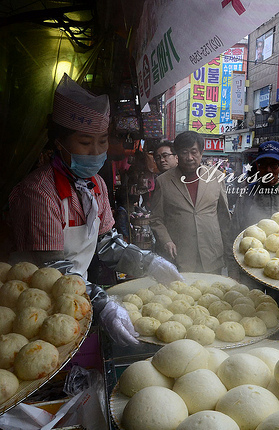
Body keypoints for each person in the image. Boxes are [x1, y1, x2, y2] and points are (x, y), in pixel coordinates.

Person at [9, 73, 182, 345]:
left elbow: (105, 243)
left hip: (78, 298)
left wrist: (147, 261)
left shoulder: (96, 184)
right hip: (36, 309)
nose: (96, 151)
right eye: (85, 143)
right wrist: (103, 303)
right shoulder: (39, 192)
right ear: (60, 144)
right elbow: (52, 269)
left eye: (102, 141)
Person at [150, 131, 231, 273]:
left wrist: (230, 256)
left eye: (194, 152)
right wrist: (166, 240)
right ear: (177, 154)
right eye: (184, 153)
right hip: (180, 257)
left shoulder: (216, 177)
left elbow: (224, 218)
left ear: (201, 152)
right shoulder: (163, 181)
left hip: (211, 256)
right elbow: (156, 219)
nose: (189, 158)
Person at [228, 141, 279, 280]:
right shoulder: (247, 194)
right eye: (263, 164)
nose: (268, 170)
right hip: (250, 268)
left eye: (274, 164)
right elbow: (234, 233)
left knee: (278, 303)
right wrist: (233, 269)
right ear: (258, 166)